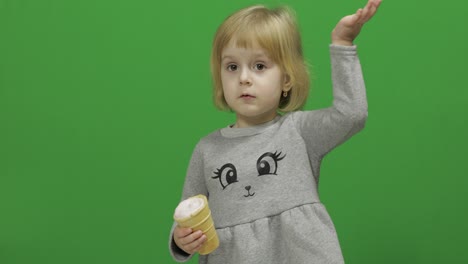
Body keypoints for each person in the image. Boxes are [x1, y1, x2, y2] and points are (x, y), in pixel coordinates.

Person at [169, 0, 381, 263]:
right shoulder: (207, 149)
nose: (244, 78)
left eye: (259, 66)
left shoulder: (299, 133)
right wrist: (181, 239)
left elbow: (352, 115)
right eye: (232, 67)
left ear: (286, 79)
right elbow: (187, 211)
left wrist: (343, 43)